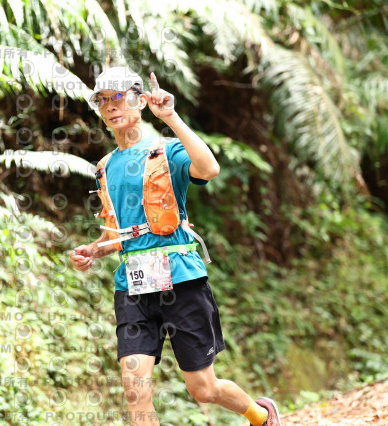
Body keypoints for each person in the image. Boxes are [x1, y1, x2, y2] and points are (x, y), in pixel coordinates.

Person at [69, 67, 282, 426]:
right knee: (134, 388)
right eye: (102, 100)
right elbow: (117, 234)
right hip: (133, 287)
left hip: (180, 279)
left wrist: (170, 117)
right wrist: (93, 250)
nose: (110, 106)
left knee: (203, 389)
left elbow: (209, 169)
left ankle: (261, 415)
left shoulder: (165, 152)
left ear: (140, 100)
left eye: (118, 97)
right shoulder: (105, 166)